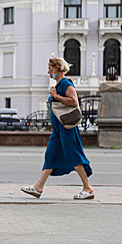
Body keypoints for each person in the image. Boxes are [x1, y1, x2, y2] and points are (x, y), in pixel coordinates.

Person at [21, 57, 94, 199]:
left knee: (74, 155)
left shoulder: (65, 83)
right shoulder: (59, 84)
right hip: (58, 129)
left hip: (67, 127)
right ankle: (38, 187)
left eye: (50, 68)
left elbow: (74, 101)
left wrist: (56, 96)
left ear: (57, 68)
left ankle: (88, 187)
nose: (48, 71)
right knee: (51, 155)